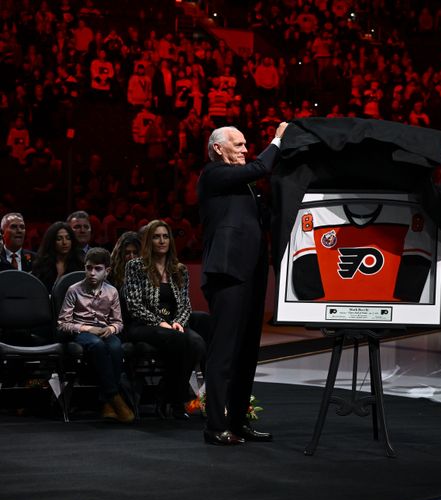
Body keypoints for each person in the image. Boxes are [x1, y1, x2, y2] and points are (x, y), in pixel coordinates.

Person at [198, 122, 288, 445]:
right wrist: (277, 141)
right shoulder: (213, 174)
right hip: (228, 273)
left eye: (246, 144)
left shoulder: (247, 187)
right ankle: (215, 425)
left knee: (247, 353)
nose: (245, 149)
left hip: (251, 275)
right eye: (238, 144)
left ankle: (237, 421)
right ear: (218, 148)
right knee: (223, 351)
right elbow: (262, 165)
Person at [123, 220, 206, 420]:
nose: (161, 241)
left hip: (172, 323)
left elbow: (186, 304)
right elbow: (133, 304)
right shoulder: (135, 266)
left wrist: (178, 321)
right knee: (180, 340)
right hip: (143, 324)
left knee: (197, 343)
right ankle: (175, 401)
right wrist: (160, 322)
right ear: (148, 241)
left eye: (165, 236)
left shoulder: (179, 269)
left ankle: (168, 396)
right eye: (156, 237)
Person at [57, 247, 133, 423]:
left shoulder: (112, 291)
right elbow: (63, 323)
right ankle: (114, 396)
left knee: (115, 347)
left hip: (104, 330)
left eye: (97, 269)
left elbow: (118, 322)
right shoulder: (74, 290)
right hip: (82, 331)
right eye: (88, 268)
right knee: (97, 345)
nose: (92, 273)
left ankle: (106, 403)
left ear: (107, 271)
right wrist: (87, 329)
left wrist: (111, 329)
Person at [31, 221, 85, 292]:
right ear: (51, 241)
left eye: (68, 238)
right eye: (59, 239)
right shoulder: (42, 264)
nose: (64, 242)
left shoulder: (80, 263)